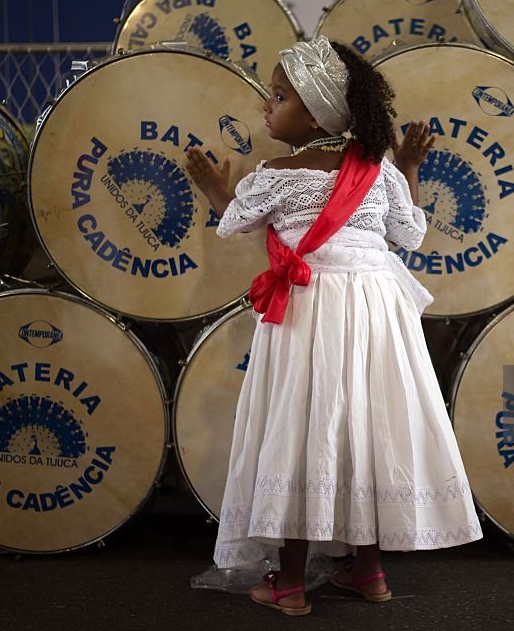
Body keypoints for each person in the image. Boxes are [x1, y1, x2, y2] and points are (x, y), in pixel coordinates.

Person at [184, 35, 482, 616]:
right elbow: (410, 234)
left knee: (306, 429)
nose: (266, 108)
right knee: (365, 431)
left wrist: (215, 188)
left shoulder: (277, 173)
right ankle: (369, 572)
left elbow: (236, 220)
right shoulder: (379, 170)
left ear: (317, 110)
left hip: (311, 305)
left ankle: (290, 584)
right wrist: (411, 166)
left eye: (279, 97)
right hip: (376, 309)